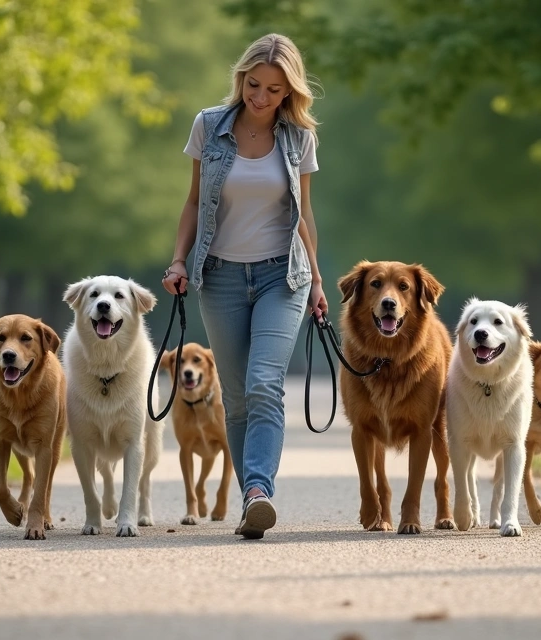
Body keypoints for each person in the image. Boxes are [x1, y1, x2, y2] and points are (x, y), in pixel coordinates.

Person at [161, 33, 326, 540]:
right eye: (253, 84)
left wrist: (317, 280)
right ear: (241, 78)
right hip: (221, 277)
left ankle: (257, 491)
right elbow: (194, 202)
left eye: (273, 89)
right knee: (235, 397)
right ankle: (251, 500)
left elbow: (304, 213)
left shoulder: (299, 137)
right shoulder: (208, 126)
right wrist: (178, 260)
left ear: (289, 91)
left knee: (264, 383)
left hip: (283, 275)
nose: (260, 97)